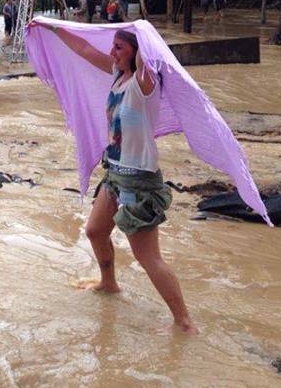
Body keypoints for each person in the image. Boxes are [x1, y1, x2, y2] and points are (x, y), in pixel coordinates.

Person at [35, 25, 198, 334]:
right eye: (114, 46)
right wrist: (53, 28)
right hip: (114, 173)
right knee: (95, 231)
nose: (113, 52)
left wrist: (141, 36)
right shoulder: (118, 76)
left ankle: (184, 322)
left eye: (120, 47)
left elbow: (147, 56)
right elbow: (84, 50)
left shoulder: (143, 82)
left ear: (137, 54)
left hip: (139, 179)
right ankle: (109, 285)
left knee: (148, 257)